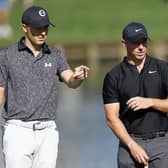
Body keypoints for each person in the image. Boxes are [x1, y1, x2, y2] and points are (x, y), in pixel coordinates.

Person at [0, 6, 89, 168]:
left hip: (48, 131)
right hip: (17, 130)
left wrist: (78, 77)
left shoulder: (55, 54)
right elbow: (0, 93)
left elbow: (70, 80)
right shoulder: (6, 56)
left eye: (45, 27)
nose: (43, 32)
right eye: (37, 28)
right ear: (24, 27)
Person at [102, 22, 168, 168]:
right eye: (135, 42)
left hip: (162, 143)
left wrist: (151, 102)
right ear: (124, 43)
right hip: (129, 143)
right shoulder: (114, 76)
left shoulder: (163, 68)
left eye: (144, 42)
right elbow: (111, 118)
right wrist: (132, 145)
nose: (141, 47)